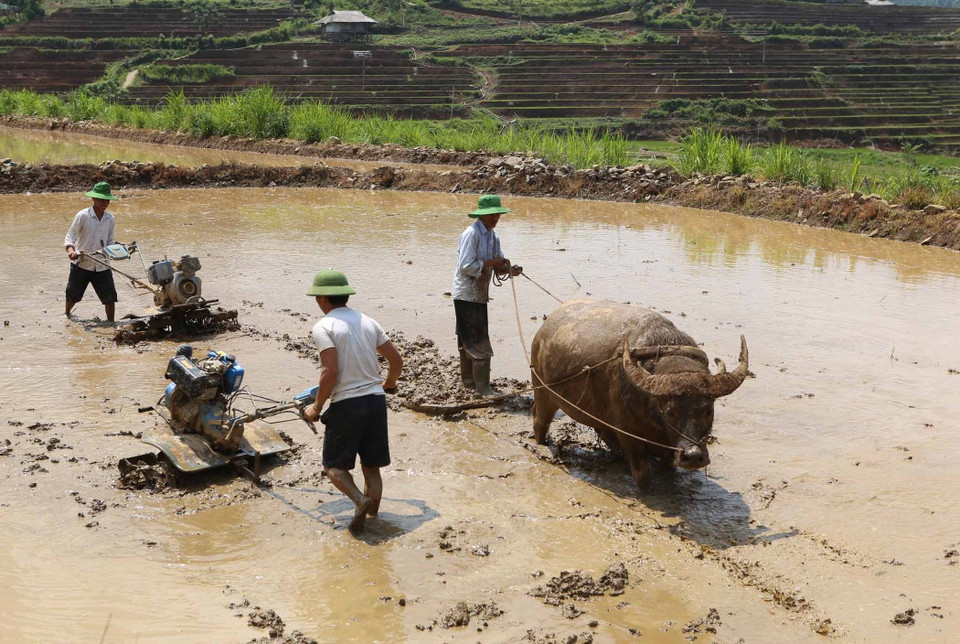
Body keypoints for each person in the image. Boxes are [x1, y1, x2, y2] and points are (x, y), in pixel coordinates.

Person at [302, 269, 403, 536]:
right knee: (371, 467)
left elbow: (330, 371)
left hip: (348, 404)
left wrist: (316, 407)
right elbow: (396, 360)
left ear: (323, 299)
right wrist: (389, 383)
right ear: (345, 295)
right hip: (376, 402)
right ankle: (372, 521)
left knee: (333, 466)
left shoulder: (324, 326)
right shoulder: (369, 322)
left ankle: (359, 500)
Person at [452, 194, 522, 396]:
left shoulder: (493, 236)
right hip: (466, 293)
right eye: (491, 215)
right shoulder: (471, 234)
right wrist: (491, 264)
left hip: (480, 294)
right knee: (478, 337)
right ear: (482, 215)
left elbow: (497, 263)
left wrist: (509, 269)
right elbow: (466, 266)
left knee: (468, 335)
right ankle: (482, 387)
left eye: (497, 215)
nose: (495, 218)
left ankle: (469, 382)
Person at [64, 181, 120, 322]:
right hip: (82, 263)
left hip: (102, 264)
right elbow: (70, 237)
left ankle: (111, 323)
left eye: (107, 200)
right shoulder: (83, 216)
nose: (105, 203)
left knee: (110, 298)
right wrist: (71, 251)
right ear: (94, 199)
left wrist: (118, 246)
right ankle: (67, 315)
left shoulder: (110, 219)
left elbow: (110, 241)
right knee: (73, 296)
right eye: (101, 199)